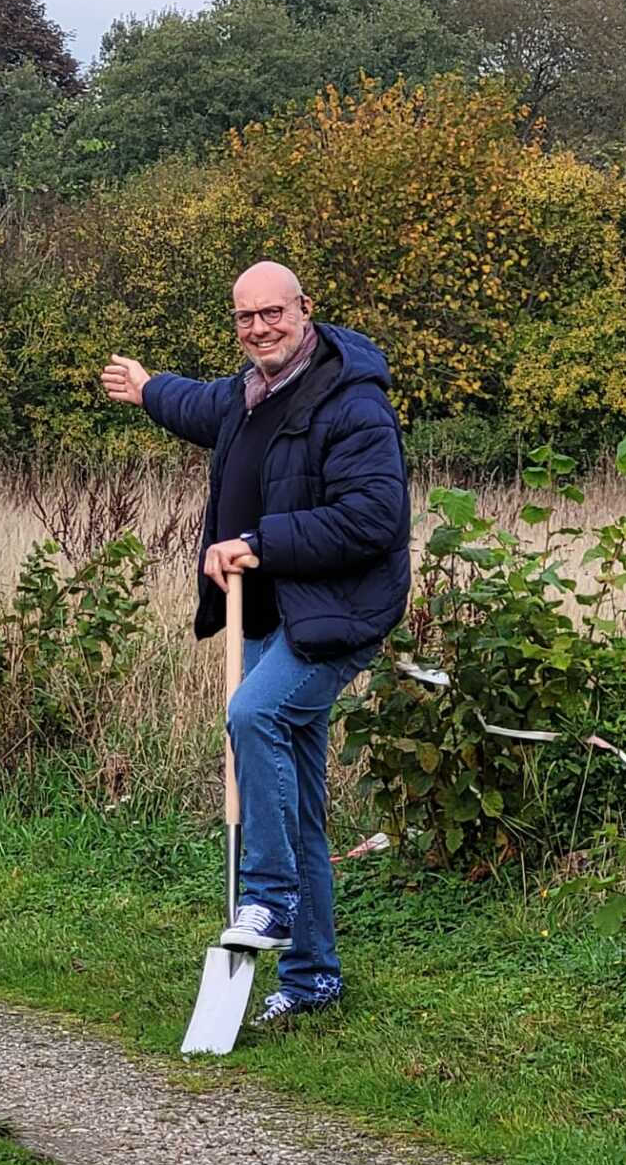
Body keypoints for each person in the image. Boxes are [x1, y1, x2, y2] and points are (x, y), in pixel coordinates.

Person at [99, 261, 411, 1024]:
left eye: (273, 313)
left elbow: (375, 517)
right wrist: (147, 389)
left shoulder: (352, 402)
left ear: (305, 309)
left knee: (254, 715)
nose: (260, 328)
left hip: (338, 615)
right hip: (277, 618)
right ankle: (312, 981)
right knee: (297, 802)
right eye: (246, 318)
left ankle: (267, 899)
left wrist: (258, 542)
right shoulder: (248, 394)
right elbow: (199, 406)